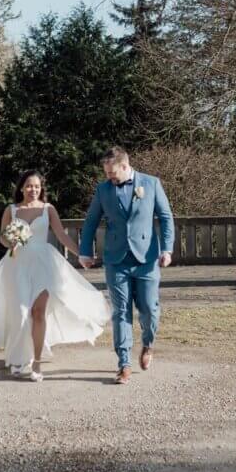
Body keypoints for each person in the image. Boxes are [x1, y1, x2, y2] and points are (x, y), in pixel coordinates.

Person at [0, 169, 109, 381]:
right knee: (21, 314)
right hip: (17, 265)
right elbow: (2, 237)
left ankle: (37, 364)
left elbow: (61, 235)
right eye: (29, 186)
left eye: (37, 186)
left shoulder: (48, 209)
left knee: (39, 312)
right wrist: (11, 242)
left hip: (44, 265)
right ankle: (20, 357)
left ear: (41, 189)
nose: (33, 190)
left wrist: (82, 254)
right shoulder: (11, 210)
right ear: (22, 187)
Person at [79, 147, 174, 384]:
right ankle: (124, 364)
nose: (109, 177)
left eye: (112, 173)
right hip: (116, 259)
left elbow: (165, 217)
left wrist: (167, 249)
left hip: (147, 259)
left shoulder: (151, 184)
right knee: (121, 311)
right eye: (106, 173)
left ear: (125, 165)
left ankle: (148, 345)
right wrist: (84, 252)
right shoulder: (103, 190)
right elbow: (90, 222)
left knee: (149, 310)